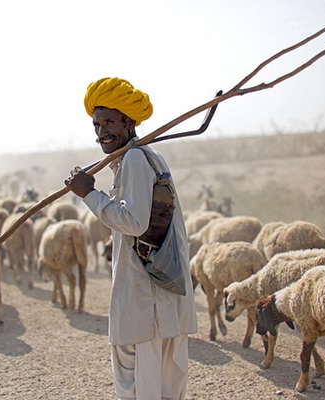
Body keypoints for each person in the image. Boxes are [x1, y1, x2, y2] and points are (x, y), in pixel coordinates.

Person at [65, 77, 197, 400]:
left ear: (128, 121)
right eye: (97, 125)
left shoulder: (136, 160)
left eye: (109, 122)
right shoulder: (149, 157)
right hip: (162, 303)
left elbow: (134, 222)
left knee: (140, 390)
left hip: (144, 306)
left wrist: (89, 194)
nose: (102, 132)